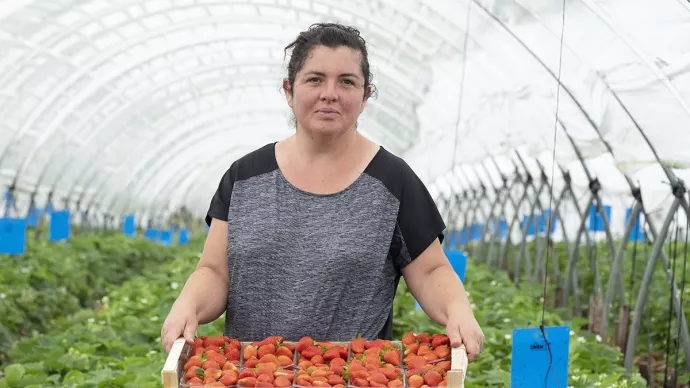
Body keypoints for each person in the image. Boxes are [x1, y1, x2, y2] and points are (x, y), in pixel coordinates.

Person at [161, 22, 484, 362]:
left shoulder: (394, 181)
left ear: (365, 96)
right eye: (315, 79)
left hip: (353, 378)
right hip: (253, 376)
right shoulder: (244, 177)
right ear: (289, 90)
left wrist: (457, 309)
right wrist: (189, 304)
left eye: (347, 81)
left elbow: (431, 271)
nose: (330, 93)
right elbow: (214, 271)